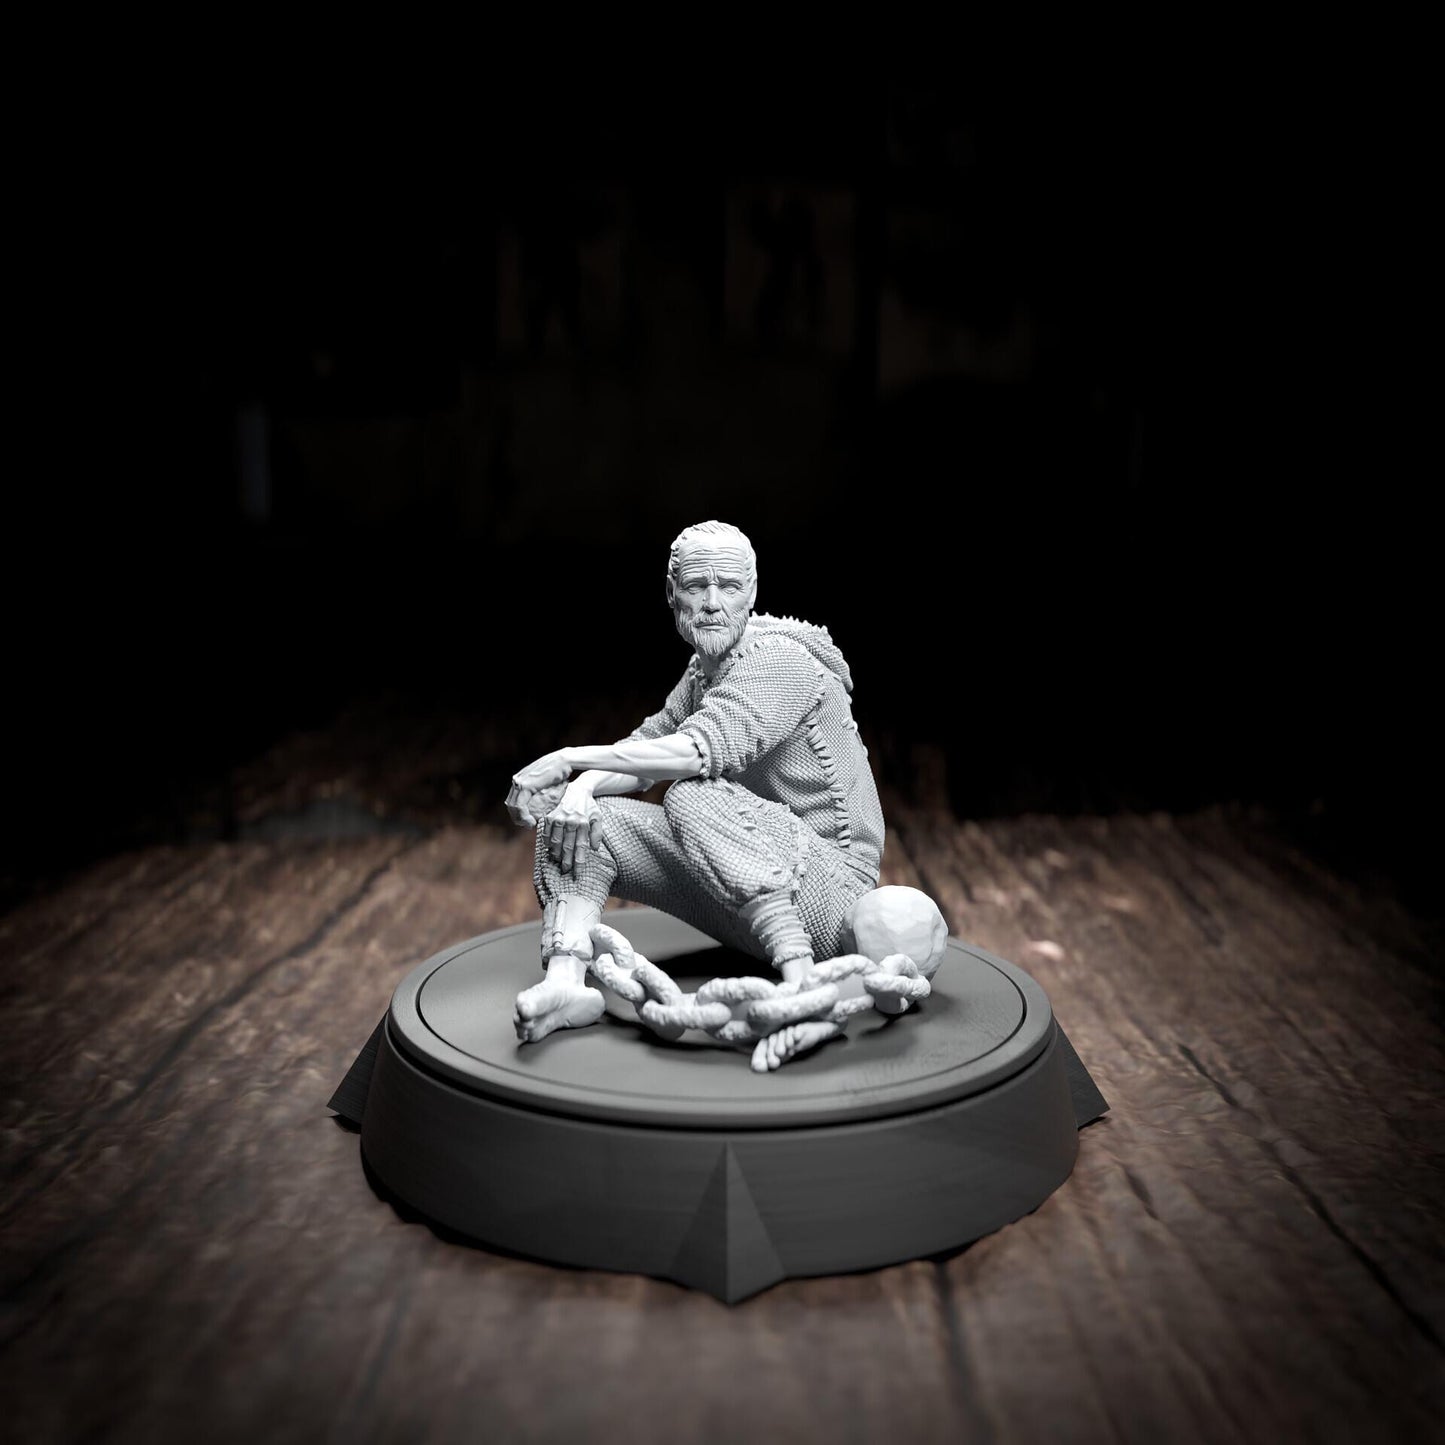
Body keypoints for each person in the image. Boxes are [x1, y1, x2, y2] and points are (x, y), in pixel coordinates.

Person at [506, 520, 885, 1047]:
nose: (711, 603)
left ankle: (800, 983)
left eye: (728, 587)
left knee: (691, 793)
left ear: (751, 592)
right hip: (742, 885)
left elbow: (692, 752)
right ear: (672, 593)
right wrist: (578, 789)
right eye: (696, 586)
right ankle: (566, 982)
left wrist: (568, 760)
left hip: (831, 900)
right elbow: (646, 753)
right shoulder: (704, 670)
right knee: (582, 822)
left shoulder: (780, 660)